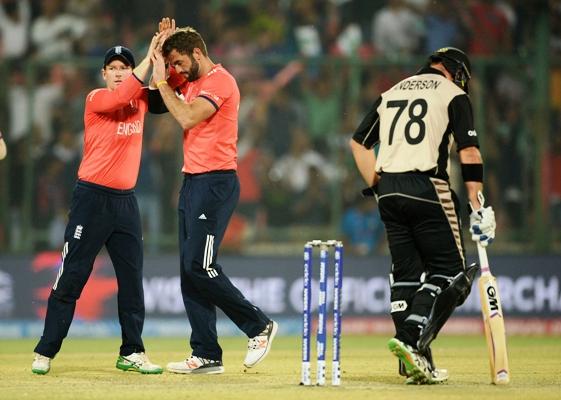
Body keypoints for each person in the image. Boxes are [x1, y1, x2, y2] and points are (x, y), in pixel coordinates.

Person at [349, 47, 496, 384]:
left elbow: (358, 143)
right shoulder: (453, 93)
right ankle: (412, 340)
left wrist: (376, 185)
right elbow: (469, 150)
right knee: (451, 274)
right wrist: (478, 202)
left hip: (388, 189)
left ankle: (413, 361)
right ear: (455, 70)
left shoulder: (392, 91)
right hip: (428, 186)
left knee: (406, 276)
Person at [32, 35, 168, 375]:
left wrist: (161, 55)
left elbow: (165, 98)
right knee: (73, 274)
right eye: (114, 69)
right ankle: (45, 351)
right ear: (103, 73)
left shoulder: (140, 98)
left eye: (125, 68)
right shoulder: (96, 98)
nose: (121, 74)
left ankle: (132, 351)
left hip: (125, 203)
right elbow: (123, 95)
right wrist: (147, 62)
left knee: (132, 279)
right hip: (91, 199)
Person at [150, 21, 277, 375]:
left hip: (216, 183)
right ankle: (206, 352)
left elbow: (187, 117)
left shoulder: (220, 81)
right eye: (171, 65)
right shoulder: (187, 81)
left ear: (197, 53)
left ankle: (259, 326)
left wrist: (164, 81)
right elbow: (150, 102)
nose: (175, 71)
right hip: (192, 181)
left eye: (177, 62)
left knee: (200, 265)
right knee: (188, 272)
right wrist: (156, 52)